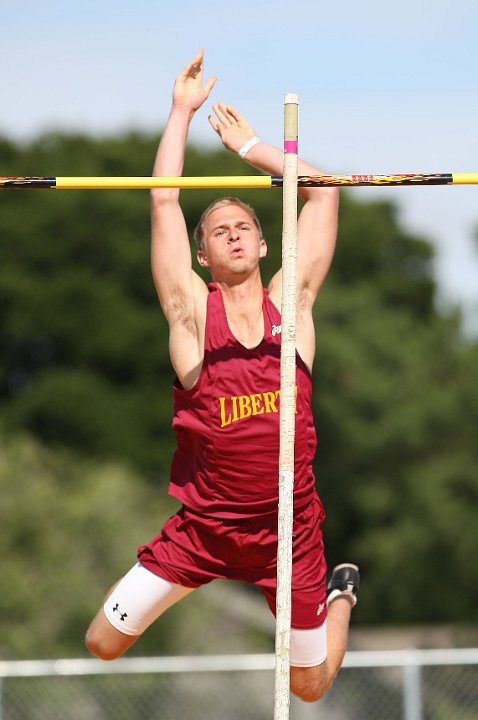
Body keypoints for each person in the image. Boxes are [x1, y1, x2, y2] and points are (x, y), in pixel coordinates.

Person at [85, 49, 359, 703]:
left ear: (265, 246)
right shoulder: (189, 321)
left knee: (311, 689)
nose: (233, 235)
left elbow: (323, 193)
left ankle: (339, 595)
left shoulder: (290, 311)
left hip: (288, 534)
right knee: (101, 643)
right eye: (219, 231)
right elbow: (162, 204)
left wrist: (254, 147)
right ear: (202, 254)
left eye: (245, 227)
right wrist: (180, 111)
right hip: (203, 533)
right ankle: (189, 582)